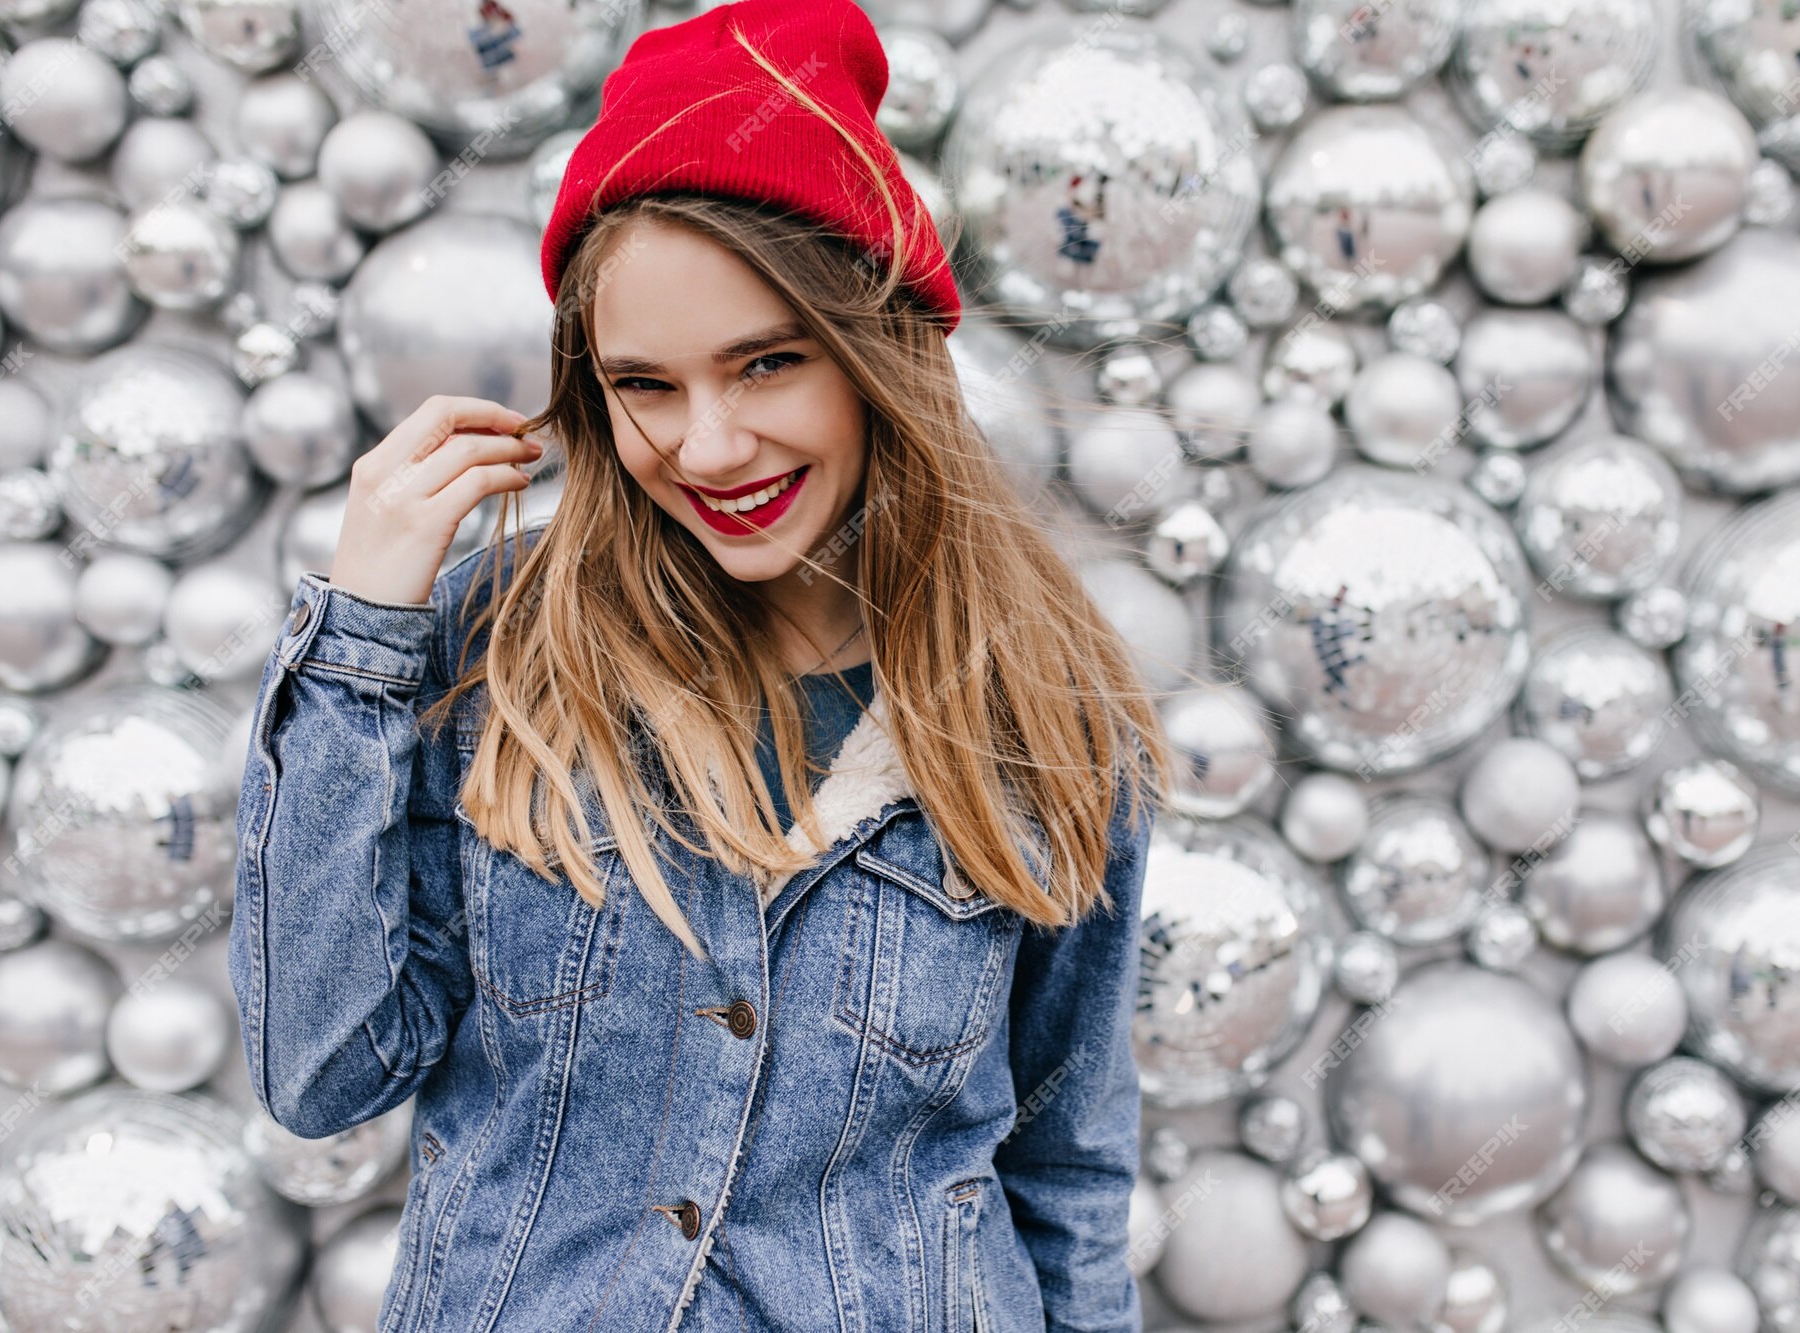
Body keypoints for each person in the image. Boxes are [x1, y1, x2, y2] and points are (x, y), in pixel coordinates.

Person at [226, 0, 1171, 1330]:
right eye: (646, 385)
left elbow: (1065, 1166)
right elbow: (325, 1071)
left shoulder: (1044, 707)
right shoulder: (496, 649)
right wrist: (365, 629)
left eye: (768, 363)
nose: (710, 446)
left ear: (876, 353)